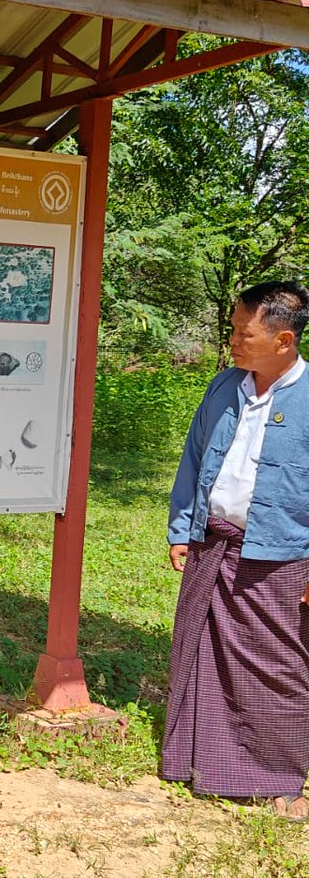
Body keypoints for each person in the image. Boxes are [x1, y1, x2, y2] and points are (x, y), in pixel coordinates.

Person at [164, 280, 309, 821]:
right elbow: (194, 456)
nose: (232, 341)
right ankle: (197, 761)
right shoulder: (226, 386)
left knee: (277, 667)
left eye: (241, 332)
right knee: (202, 651)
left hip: (284, 555)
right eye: (232, 329)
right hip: (214, 544)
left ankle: (279, 778)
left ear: (283, 340)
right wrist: (184, 526)